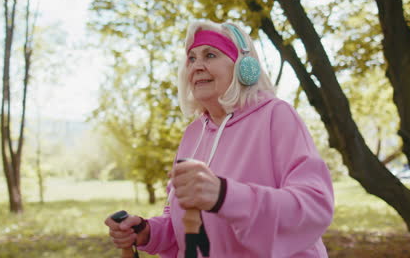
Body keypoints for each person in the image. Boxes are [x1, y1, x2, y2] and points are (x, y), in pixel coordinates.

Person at [105, 20, 334, 258]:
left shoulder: (277, 116)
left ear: (244, 66)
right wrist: (148, 232)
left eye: (210, 55)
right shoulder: (193, 133)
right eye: (191, 58)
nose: (196, 66)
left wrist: (224, 195)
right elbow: (186, 230)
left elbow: (314, 207)